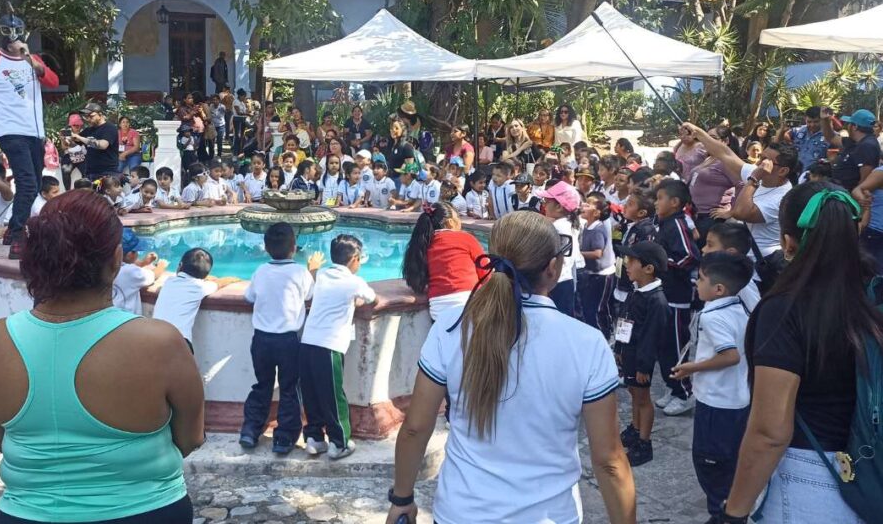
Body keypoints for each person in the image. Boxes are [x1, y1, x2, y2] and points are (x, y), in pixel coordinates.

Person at [0, 191, 205, 523]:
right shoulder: (160, 343)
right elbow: (190, 438)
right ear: (116, 259)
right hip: (147, 512)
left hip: (26, 514)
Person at [386, 211, 635, 524]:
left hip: (461, 513)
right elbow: (609, 460)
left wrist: (402, 498)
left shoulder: (451, 328)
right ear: (552, 267)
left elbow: (415, 428)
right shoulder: (587, 343)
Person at [722, 182, 882, 524]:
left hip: (813, 477)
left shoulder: (784, 309)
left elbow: (770, 431)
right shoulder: (874, 295)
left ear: (787, 242)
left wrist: (733, 512)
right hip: (874, 469)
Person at [0, 12, 59, 259]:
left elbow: (52, 81)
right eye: (6, 30)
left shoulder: (33, 59)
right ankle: (18, 235)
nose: (12, 35)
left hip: (35, 132)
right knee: (28, 184)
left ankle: (10, 232)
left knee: (36, 184)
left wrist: (29, 58)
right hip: (10, 131)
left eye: (17, 30)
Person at [671, 251, 753, 520]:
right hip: (737, 398)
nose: (696, 282)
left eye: (702, 279)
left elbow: (730, 356)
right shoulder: (738, 305)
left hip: (717, 402)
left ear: (718, 288)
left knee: (710, 463)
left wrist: (690, 368)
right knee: (728, 461)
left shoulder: (713, 317)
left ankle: (722, 513)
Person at [240, 223, 325, 453]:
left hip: (261, 340)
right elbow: (312, 294)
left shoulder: (260, 271)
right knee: (289, 388)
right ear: (294, 248)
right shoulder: (300, 272)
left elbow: (249, 297)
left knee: (262, 385)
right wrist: (313, 270)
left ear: (266, 248)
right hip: (288, 341)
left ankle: (250, 430)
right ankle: (284, 438)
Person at [299, 235, 377, 460]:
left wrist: (311, 270)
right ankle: (339, 442)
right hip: (329, 346)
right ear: (354, 259)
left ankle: (313, 439)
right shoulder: (354, 282)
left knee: (311, 393)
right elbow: (372, 298)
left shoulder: (322, 274)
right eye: (360, 259)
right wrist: (358, 301)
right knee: (334, 396)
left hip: (307, 342)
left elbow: (310, 292)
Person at [682, 122, 797, 259]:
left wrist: (754, 178)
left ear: (783, 171)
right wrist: (698, 132)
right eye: (761, 158)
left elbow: (741, 213)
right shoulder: (761, 174)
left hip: (760, 263)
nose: (759, 163)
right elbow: (725, 154)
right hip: (744, 256)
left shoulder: (782, 198)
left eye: (766, 161)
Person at [613, 241, 669, 467]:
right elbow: (625, 321)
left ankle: (644, 443)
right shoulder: (637, 291)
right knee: (635, 395)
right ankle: (635, 430)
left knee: (643, 399)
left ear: (649, 268)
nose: (626, 264)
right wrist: (619, 347)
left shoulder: (656, 300)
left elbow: (651, 337)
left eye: (632, 261)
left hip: (639, 358)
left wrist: (644, 366)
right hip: (629, 354)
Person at [652, 179, 700, 416]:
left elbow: (689, 257)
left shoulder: (678, 225)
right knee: (664, 346)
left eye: (660, 198)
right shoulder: (664, 223)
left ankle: (685, 393)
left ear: (675, 202)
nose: (655, 203)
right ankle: (673, 387)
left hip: (677, 296)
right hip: (665, 293)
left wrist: (661, 264)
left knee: (676, 346)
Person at [402, 201, 485, 322]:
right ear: (451, 222)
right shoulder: (466, 238)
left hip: (438, 309)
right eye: (458, 217)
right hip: (471, 304)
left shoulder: (423, 244)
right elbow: (486, 273)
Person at [152, 248, 223, 352]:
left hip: (153, 336)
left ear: (180, 266)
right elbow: (219, 283)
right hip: (179, 340)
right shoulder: (200, 288)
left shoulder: (169, 281)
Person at [535, 181, 583, 317]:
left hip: (557, 281)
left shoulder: (558, 227)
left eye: (547, 201)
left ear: (559, 207)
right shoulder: (570, 223)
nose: (544, 204)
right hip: (566, 279)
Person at [578, 194, 616, 336]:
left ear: (596, 213)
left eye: (588, 205)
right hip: (592, 273)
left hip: (602, 275)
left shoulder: (597, 229)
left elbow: (597, 253)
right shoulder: (587, 226)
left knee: (597, 308)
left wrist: (578, 253)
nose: (583, 206)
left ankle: (604, 335)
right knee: (590, 306)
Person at [612, 189, 657, 307]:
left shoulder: (645, 230)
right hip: (621, 277)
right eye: (626, 203)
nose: (625, 206)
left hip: (630, 282)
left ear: (641, 213)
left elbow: (642, 257)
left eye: (630, 204)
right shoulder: (630, 225)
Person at [702, 222, 761, 312]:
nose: (703, 249)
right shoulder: (716, 276)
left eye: (710, 245)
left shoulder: (743, 285)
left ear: (730, 253)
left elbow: (754, 313)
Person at [112, 229, 167, 315]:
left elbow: (127, 265)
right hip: (127, 320)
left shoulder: (108, 267)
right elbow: (154, 275)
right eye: (136, 251)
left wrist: (143, 263)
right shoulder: (131, 272)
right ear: (130, 255)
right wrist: (162, 265)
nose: (138, 254)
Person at [826, 109, 881, 191]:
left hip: (850, 197)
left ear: (855, 127)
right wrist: (824, 120)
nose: (847, 126)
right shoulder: (853, 141)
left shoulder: (867, 146)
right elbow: (831, 137)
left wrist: (854, 196)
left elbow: (865, 179)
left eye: (849, 123)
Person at [67, 102, 119, 182]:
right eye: (86, 116)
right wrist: (67, 139)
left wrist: (80, 137)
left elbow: (103, 145)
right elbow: (73, 144)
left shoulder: (110, 128)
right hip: (90, 172)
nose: (88, 119)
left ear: (100, 114)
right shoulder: (88, 130)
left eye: (91, 116)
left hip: (107, 172)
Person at [775, 106, 830, 172]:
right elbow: (777, 144)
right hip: (794, 173)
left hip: (814, 176)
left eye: (816, 122)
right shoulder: (797, 131)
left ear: (822, 120)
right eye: (809, 122)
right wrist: (782, 131)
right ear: (805, 119)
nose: (812, 125)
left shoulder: (830, 136)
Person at [385, 116, 417, 189]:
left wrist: (402, 173)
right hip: (389, 179)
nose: (393, 130)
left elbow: (410, 168)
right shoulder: (390, 146)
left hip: (400, 181)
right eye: (391, 128)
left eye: (396, 128)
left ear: (402, 130)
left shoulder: (407, 147)